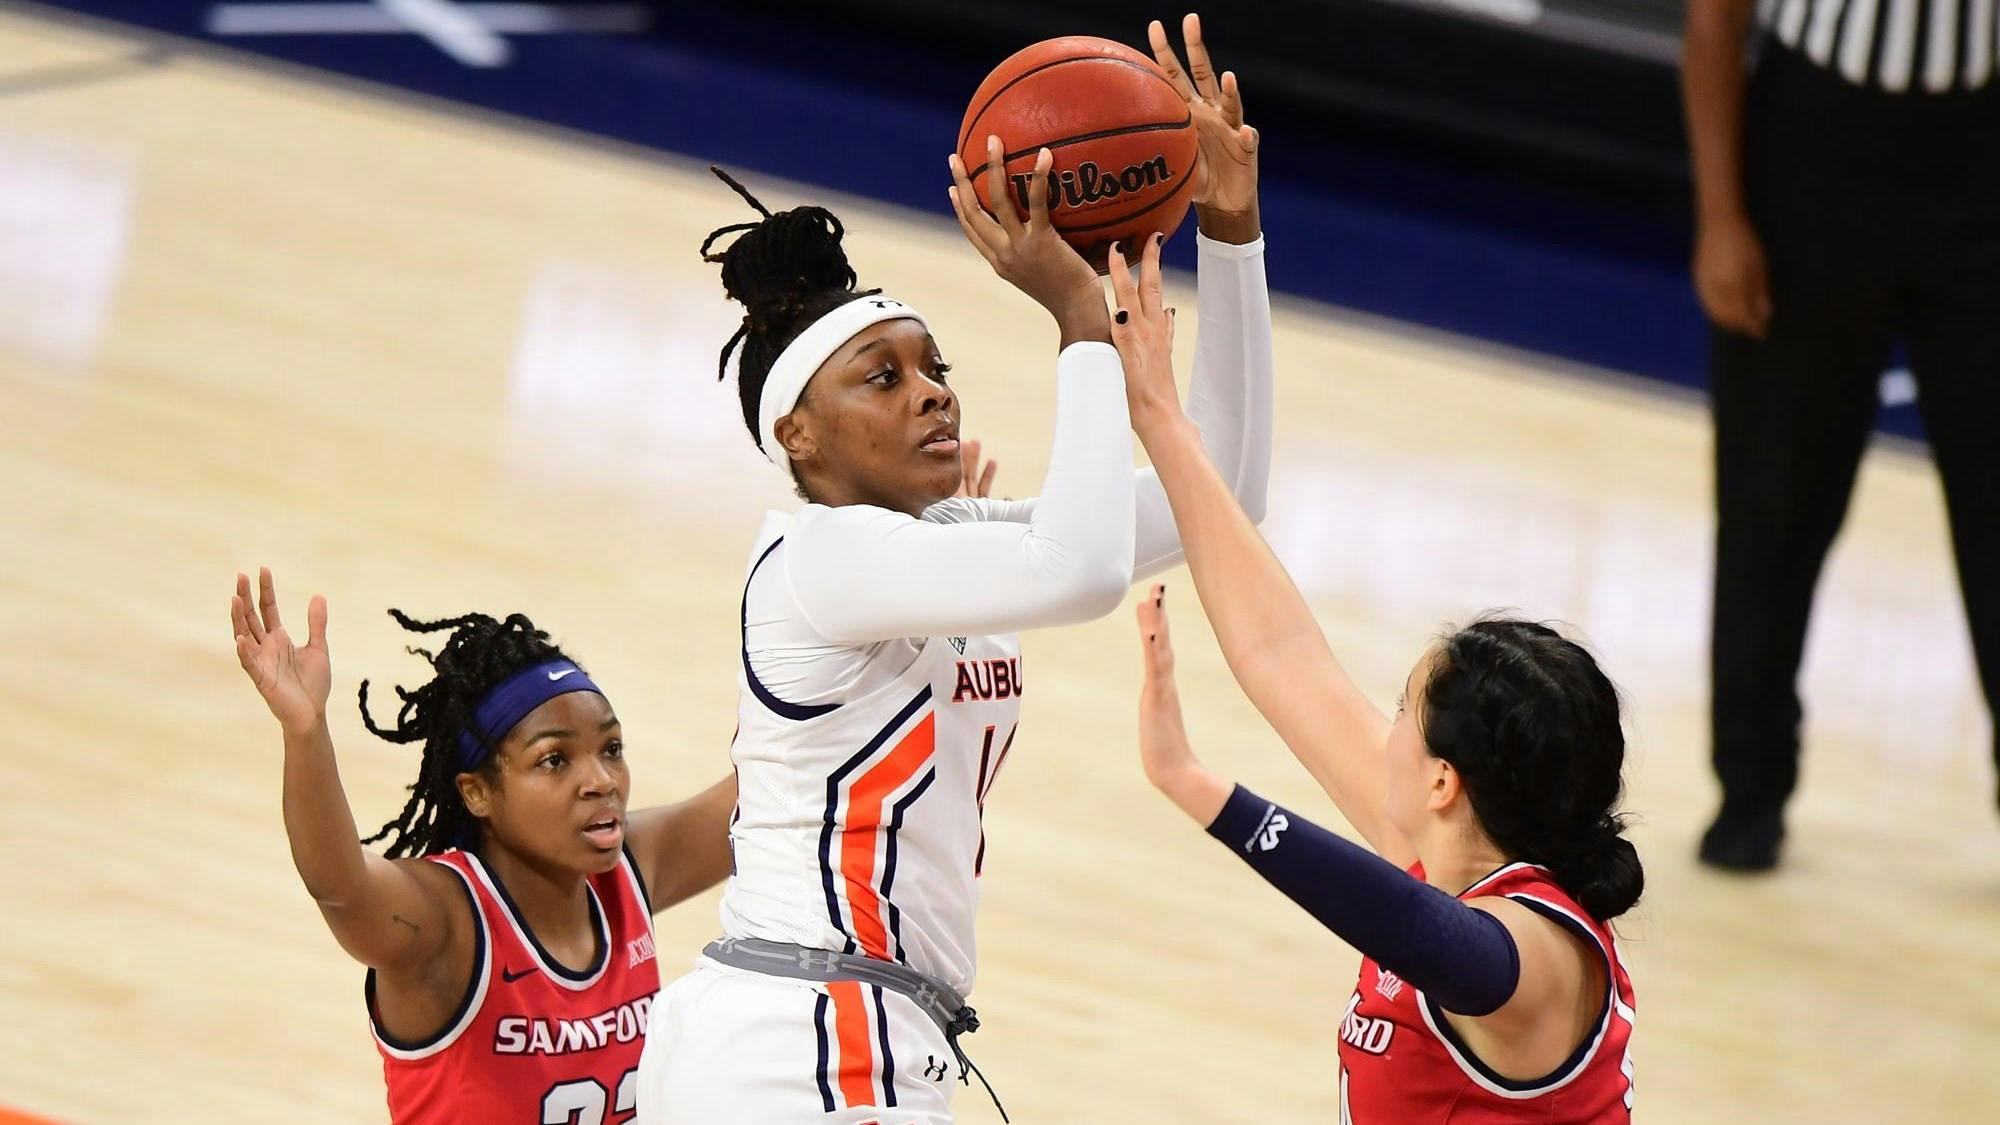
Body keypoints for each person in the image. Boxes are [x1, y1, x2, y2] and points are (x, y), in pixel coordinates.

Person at [635, 16, 1272, 1122]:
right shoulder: (815, 558)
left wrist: (1229, 226)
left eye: (934, 366)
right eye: (878, 379)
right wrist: (1082, 315)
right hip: (802, 1049)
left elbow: (1222, 503)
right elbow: (1075, 572)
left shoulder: (940, 547)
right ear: (798, 437)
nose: (929, 391)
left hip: (853, 1037)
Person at [1104, 230, 1640, 1118]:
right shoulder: (1442, 851)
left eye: (1402, 710)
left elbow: (1419, 933)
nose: (1378, 726)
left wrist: (1199, 786)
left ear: (1443, 778)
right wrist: (1161, 416)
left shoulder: (1533, 955)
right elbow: (1281, 653)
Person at [229, 569, 735, 1123]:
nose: (601, 780)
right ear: (477, 793)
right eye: (554, 760)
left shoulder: (628, 872)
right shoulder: (447, 924)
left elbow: (777, 798)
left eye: (611, 748)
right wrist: (305, 732)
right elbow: (340, 887)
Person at [1683, 0, 2000, 869]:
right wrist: (1720, 216)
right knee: (1774, 488)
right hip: (1815, 149)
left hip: (1981, 147)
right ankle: (1749, 790)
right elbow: (1715, 23)